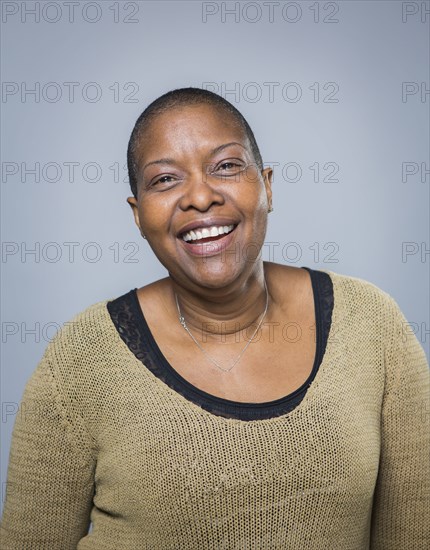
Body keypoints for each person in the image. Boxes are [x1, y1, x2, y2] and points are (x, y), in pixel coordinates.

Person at [1, 87, 429, 549]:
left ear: (267, 185)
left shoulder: (371, 324)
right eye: (164, 180)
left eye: (226, 166)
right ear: (138, 215)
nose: (200, 197)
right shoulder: (80, 360)